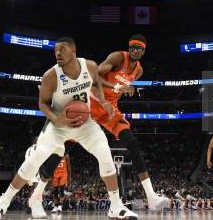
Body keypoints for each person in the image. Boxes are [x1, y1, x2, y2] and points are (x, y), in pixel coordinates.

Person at [0, 37, 138, 220]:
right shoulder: (50, 76)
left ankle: (116, 206)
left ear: (73, 51)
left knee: (105, 153)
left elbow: (97, 83)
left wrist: (103, 102)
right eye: (56, 50)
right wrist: (58, 119)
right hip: (58, 125)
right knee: (36, 158)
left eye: (62, 49)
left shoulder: (89, 66)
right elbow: (42, 103)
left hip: (85, 122)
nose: (58, 53)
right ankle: (1, 204)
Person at [35, 35, 168, 211]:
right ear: (129, 48)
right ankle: (37, 193)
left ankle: (151, 196)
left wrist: (123, 91)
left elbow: (119, 91)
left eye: (140, 48)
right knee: (62, 149)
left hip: (109, 109)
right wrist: (117, 87)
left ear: (144, 51)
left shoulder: (139, 71)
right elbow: (94, 75)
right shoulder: (118, 58)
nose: (136, 50)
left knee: (131, 142)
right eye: (133, 47)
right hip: (89, 105)